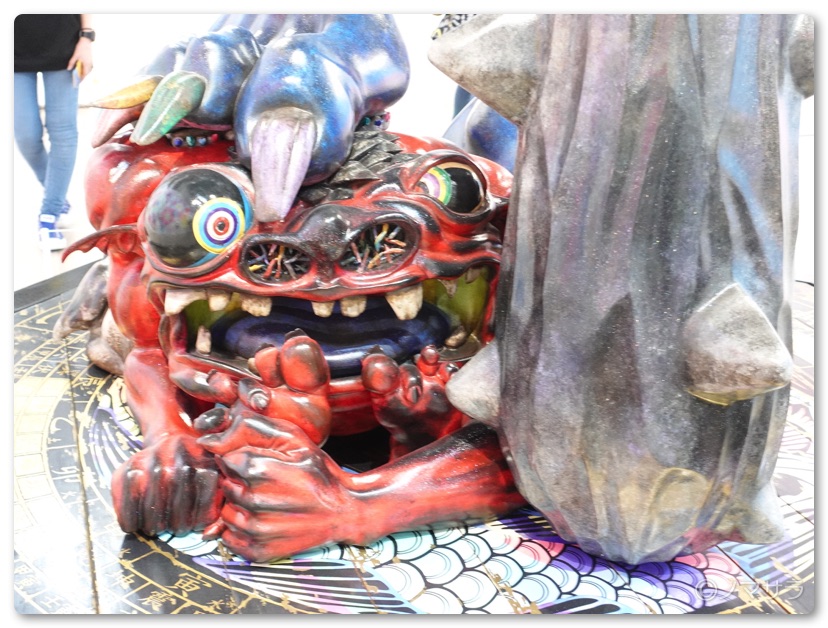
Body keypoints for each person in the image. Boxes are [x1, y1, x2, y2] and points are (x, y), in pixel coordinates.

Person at [14, 15, 94, 251]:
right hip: (13, 49)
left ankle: (49, 214)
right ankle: (57, 197)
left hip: (64, 46)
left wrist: (86, 38)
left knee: (63, 132)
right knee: (26, 135)